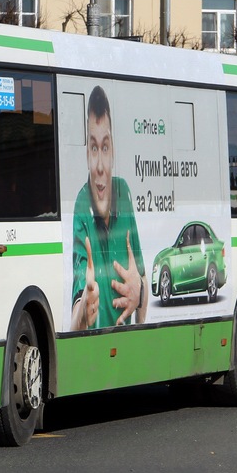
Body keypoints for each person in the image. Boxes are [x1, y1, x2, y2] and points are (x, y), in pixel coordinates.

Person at [70, 86, 147, 330]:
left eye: (105, 147)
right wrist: (83, 309)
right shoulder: (81, 205)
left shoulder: (123, 192)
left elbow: (141, 277)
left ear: (113, 151)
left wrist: (140, 293)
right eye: (94, 148)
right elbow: (79, 297)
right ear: (87, 155)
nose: (100, 166)